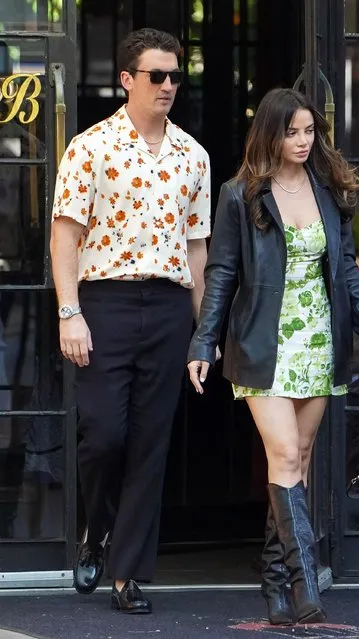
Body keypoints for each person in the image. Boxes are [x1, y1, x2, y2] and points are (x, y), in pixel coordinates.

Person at [187, 88, 359, 625]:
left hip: (320, 341)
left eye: (309, 132)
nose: (302, 142)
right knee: (282, 456)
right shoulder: (240, 194)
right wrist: (203, 341)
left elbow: (346, 270)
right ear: (271, 135)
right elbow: (221, 274)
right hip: (262, 343)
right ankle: (305, 585)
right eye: (292, 132)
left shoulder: (328, 191)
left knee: (298, 462)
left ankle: (274, 583)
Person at [50, 28, 211, 613]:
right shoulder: (89, 147)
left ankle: (128, 573)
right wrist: (70, 312)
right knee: (104, 435)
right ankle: (97, 529)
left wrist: (203, 332)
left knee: (150, 442)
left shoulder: (195, 155)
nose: (168, 85)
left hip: (169, 307)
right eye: (156, 76)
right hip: (104, 303)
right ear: (127, 80)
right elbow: (65, 233)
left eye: (174, 76)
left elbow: (197, 249)